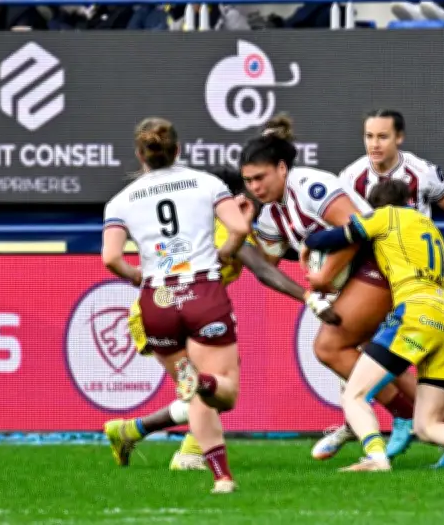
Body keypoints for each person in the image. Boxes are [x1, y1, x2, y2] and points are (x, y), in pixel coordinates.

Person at [103, 165, 339, 472]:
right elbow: (263, 270)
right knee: (214, 385)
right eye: (247, 190)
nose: (254, 195)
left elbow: (271, 253)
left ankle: (131, 431)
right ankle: (188, 454)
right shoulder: (221, 227)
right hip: (174, 310)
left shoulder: (213, 221)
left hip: (164, 308)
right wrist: (309, 298)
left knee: (207, 385)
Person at [301, 179, 444, 472]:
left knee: (354, 394)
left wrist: (307, 245)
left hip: (414, 313)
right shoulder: (429, 228)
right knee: (427, 424)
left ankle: (376, 457)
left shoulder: (385, 216)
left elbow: (338, 236)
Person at [241, 115, 420, 447]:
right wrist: (244, 228)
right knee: (378, 356)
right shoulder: (269, 214)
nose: (254, 187)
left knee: (329, 347)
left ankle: (405, 417)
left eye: (260, 178)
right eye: (248, 181)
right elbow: (267, 269)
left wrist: (323, 275)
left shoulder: (308, 185)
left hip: (381, 260)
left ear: (282, 168)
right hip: (362, 276)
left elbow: (358, 229)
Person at [314, 110, 444, 468]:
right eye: (369, 136)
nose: (375, 144)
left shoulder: (422, 172)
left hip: (411, 276)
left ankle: (443, 432)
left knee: (402, 354)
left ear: (399, 138)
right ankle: (385, 421)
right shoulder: (351, 176)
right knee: (361, 348)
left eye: (382, 136)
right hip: (376, 270)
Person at [101, 117, 249, 494]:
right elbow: (239, 229)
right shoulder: (207, 183)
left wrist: (137, 277)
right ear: (179, 150)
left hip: (158, 299)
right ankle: (219, 468)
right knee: (223, 393)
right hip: (201, 290)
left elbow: (111, 258)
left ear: (140, 155)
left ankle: (221, 476)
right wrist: (224, 253)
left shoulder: (121, 200)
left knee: (190, 390)